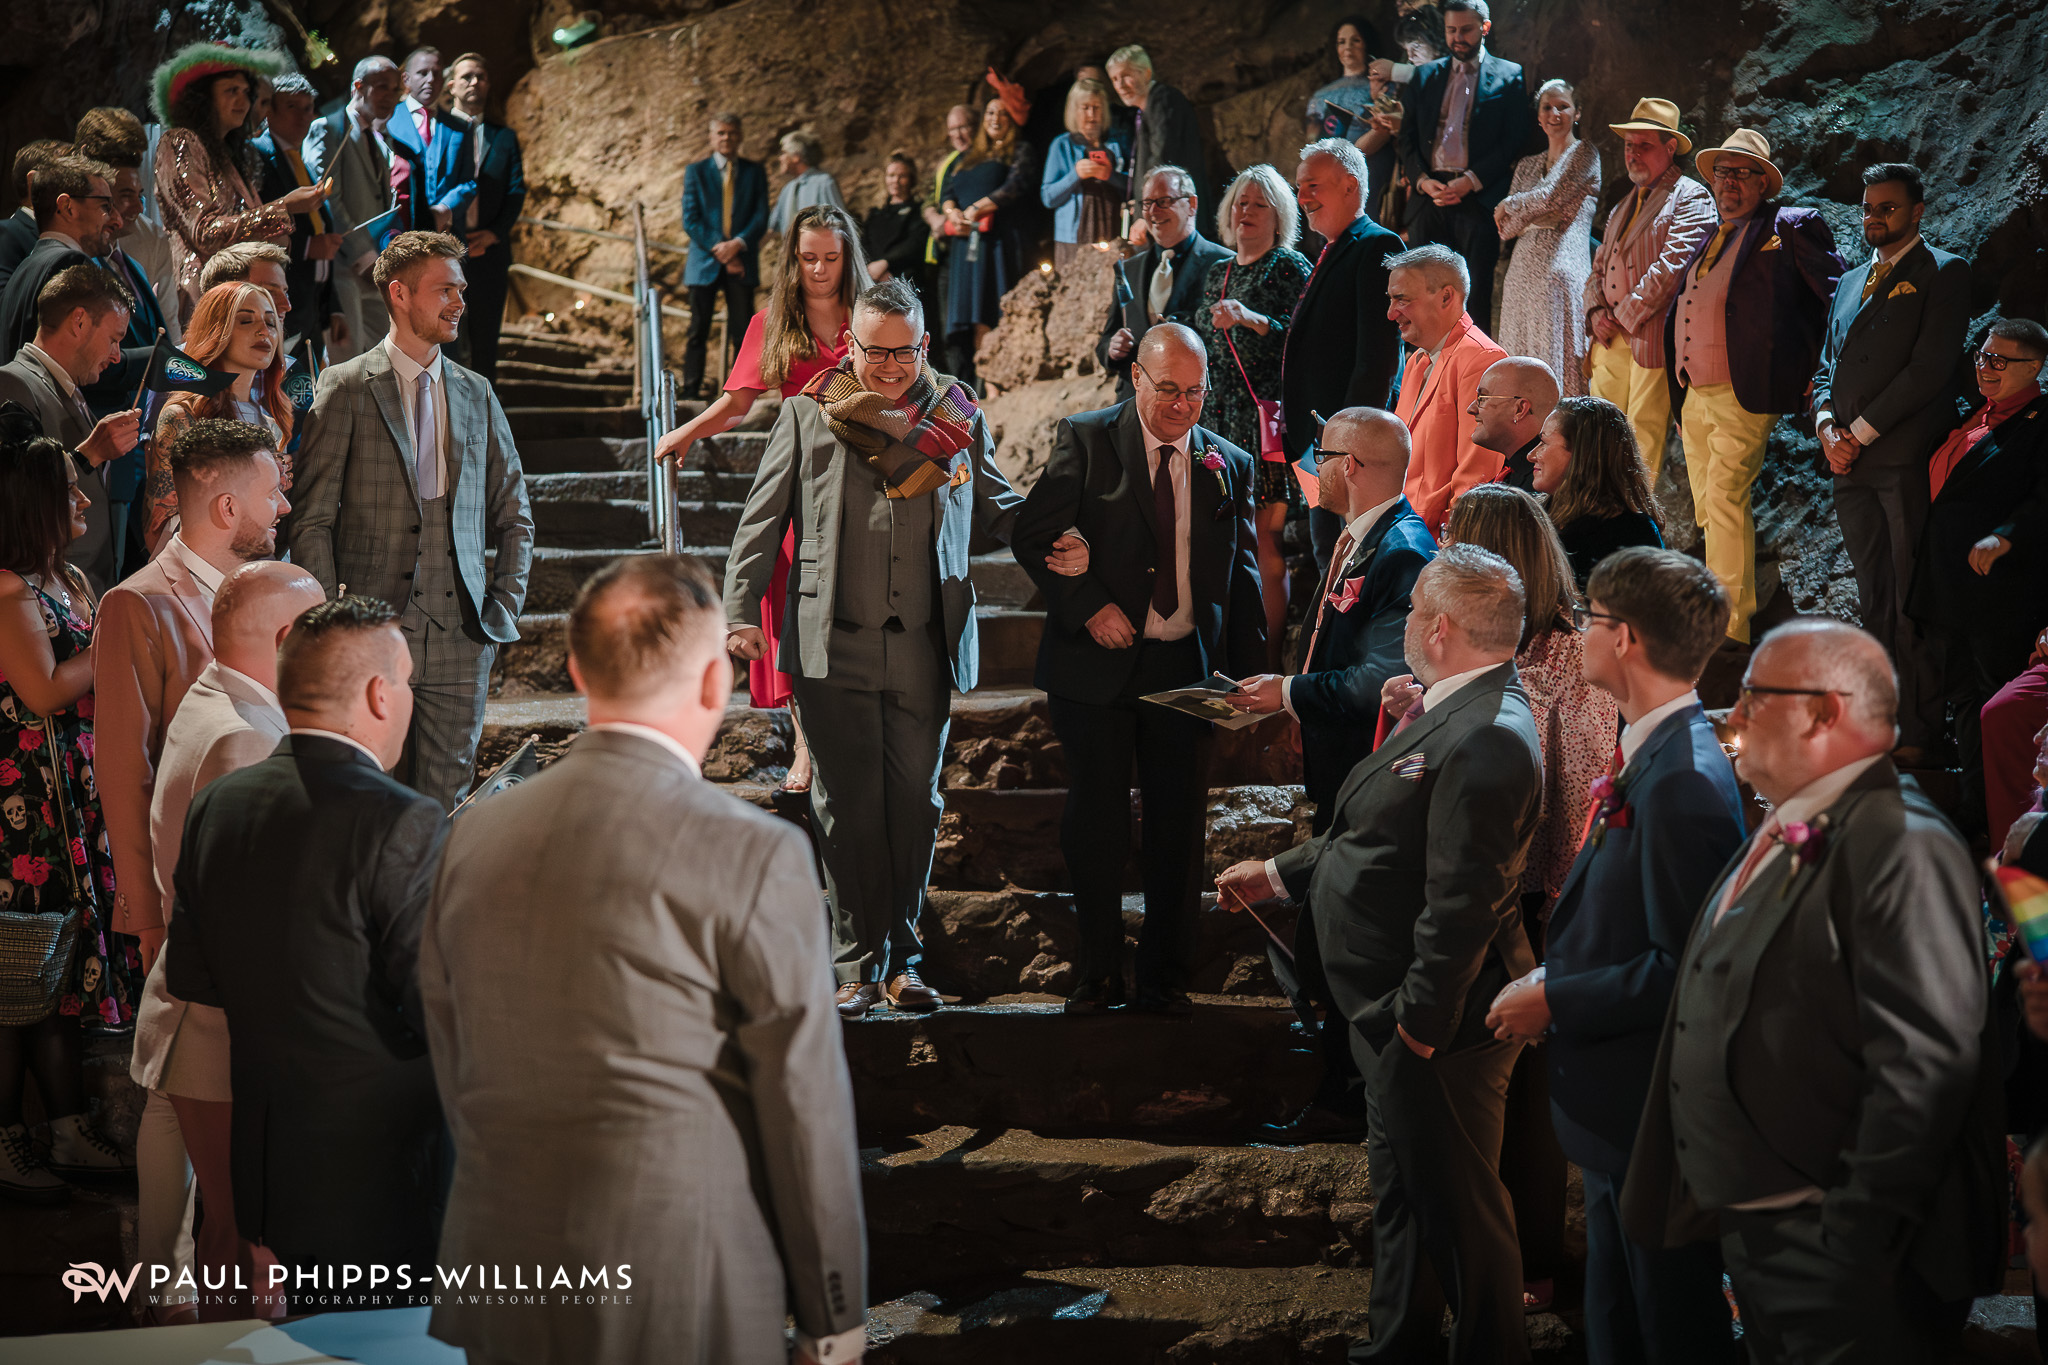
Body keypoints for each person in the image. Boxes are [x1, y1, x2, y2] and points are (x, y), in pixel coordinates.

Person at [421, 554, 868, 1365]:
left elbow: (454, 1053)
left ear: (575, 671)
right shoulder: (753, 851)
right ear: (713, 684)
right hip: (679, 1272)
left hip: (504, 1260)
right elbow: (803, 1106)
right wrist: (831, 1317)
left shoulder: (471, 835)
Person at [1622, 618, 2003, 1364]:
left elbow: (1924, 1068)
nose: (1730, 717)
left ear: (1826, 710)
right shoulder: (1800, 823)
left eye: (1754, 697)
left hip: (1849, 1261)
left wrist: (1848, 1242)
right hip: (1772, 1238)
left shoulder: (1903, 841)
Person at [1217, 544, 1542, 1365]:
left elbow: (1462, 903)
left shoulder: (1489, 735)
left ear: (1435, 627)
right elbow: (1378, 831)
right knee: (1406, 1202)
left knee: (1466, 1220)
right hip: (1387, 1012)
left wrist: (1416, 1029)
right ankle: (1395, 1346)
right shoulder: (1454, 706)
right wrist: (1281, 873)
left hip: (1428, 1024)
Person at [725, 278, 1025, 1019]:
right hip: (833, 644)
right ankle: (858, 966)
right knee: (848, 809)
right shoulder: (807, 412)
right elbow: (758, 522)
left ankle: (905, 960)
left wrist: (1061, 535)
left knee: (916, 806)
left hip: (925, 644)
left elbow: (1000, 499)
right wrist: (739, 611)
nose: (889, 366)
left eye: (904, 351)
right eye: (874, 350)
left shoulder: (956, 411)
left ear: (924, 345)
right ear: (849, 345)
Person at [1484, 546, 1742, 1365]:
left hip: (1649, 1110)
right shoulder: (1653, 751)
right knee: (1618, 1320)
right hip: (1613, 1108)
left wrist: (1557, 996)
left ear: (1624, 637)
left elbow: (1684, 969)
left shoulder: (1683, 784)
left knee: (1669, 1327)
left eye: (1590, 618)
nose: (1579, 632)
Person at [165, 595, 449, 1294]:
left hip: (269, 1163)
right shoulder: (404, 819)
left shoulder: (220, 805)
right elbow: (437, 1006)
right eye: (406, 681)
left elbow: (194, 979)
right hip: (384, 1170)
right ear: (380, 695)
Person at [1014, 323, 1265, 1016]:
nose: (1183, 406)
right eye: (1168, 390)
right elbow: (1032, 533)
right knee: (1095, 821)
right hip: (1095, 666)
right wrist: (1089, 602)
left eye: (1195, 393)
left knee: (1178, 826)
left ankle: (1164, 976)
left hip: (1187, 666)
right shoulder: (1088, 439)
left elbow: (1241, 577)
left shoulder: (1229, 462)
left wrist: (1249, 677)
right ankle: (1097, 972)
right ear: (1135, 379)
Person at [1226, 406, 1433, 1140]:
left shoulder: (1401, 550)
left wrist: (1284, 694)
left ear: (1352, 465)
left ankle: (1349, 1101)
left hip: (1367, 779)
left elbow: (1382, 674)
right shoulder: (1364, 537)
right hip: (1335, 765)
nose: (1312, 464)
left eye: (1322, 452)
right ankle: (1339, 1093)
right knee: (1319, 940)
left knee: (1338, 947)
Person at [1434, 481, 1611, 1314]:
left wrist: (1557, 924)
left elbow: (1579, 801)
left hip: (1540, 901)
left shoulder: (1570, 658)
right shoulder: (1493, 653)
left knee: (1528, 1103)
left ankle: (1533, 1264)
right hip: (1487, 890)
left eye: (1459, 540)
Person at [129, 559, 321, 1321]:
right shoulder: (248, 737)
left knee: (221, 1226)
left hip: (192, 1001)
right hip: (219, 1022)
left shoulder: (216, 695)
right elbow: (252, 917)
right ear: (285, 637)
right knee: (241, 1240)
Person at [285, 230, 534, 810]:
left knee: (446, 806)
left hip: (463, 638)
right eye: (444, 288)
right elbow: (313, 519)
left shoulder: (478, 393)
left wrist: (503, 606)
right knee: (368, 801)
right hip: (371, 636)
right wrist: (331, 621)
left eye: (462, 289)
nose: (459, 301)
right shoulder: (344, 387)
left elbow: (515, 514)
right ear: (399, 294)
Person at [657, 206, 864, 797]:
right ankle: (804, 743)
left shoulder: (870, 316)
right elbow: (738, 403)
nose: (820, 269)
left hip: (869, 475)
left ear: (847, 256)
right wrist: (687, 431)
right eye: (808, 258)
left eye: (831, 256)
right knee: (794, 608)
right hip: (803, 479)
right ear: (791, 260)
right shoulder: (773, 321)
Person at [95, 416, 289, 972]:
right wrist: (146, 913)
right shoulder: (137, 603)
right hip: (189, 881)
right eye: (272, 492)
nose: (284, 506)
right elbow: (124, 767)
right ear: (227, 509)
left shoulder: (273, 586)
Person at [0, 415, 135, 1204]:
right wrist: (117, 638)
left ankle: (66, 1126)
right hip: (23, 808)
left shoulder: (68, 581)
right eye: (68, 490)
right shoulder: (10, 589)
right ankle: (14, 1139)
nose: (83, 498)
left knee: (57, 986)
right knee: (18, 982)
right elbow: (45, 688)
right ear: (32, 505)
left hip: (70, 791)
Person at [1812, 162, 1971, 765]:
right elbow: (1824, 367)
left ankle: (1924, 730)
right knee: (1872, 595)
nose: (1875, 216)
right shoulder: (1850, 280)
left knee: (1910, 597)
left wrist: (1858, 432)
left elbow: (1929, 370)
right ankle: (1879, 719)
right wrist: (1828, 428)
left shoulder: (1944, 272)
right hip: (1846, 465)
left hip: (1903, 457)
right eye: (1869, 207)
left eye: (1889, 207)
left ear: (1917, 211)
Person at [1662, 129, 1843, 647]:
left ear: (1764, 183)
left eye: (1741, 173)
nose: (1729, 183)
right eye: (1722, 172)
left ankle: (1729, 628)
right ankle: (1720, 599)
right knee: (1705, 504)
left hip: (1746, 389)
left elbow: (1836, 296)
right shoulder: (1710, 234)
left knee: (1723, 499)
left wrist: (1821, 367)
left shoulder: (1789, 226)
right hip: (1694, 393)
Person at [1906, 318, 2048, 837]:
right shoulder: (1977, 414)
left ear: (2034, 368)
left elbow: (2043, 498)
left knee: (1998, 702)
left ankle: (2013, 821)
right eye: (1982, 356)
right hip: (1951, 587)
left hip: (2001, 594)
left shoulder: (2040, 421)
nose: (1984, 368)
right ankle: (1975, 810)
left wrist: (2006, 534)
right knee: (1964, 701)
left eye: (1999, 361)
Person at [1193, 164, 1312, 667]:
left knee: (1264, 536)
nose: (1246, 212)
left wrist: (1251, 318)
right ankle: (1223, 647)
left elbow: (1305, 339)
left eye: (1259, 204)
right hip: (1217, 420)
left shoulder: (1288, 267)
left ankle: (1264, 658)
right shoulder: (1216, 271)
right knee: (1220, 534)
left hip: (1264, 423)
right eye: (1240, 203)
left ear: (1278, 215)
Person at [1284, 138, 1404, 577]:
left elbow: (1377, 358)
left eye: (1312, 186)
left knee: (1348, 564)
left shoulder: (1375, 245)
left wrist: (1347, 444)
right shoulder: (1332, 249)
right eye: (1299, 188)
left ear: (1350, 186)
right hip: (1321, 446)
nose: (1302, 199)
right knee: (1326, 558)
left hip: (1345, 450)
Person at [1584, 98, 1716, 482]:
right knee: (1596, 440)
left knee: (1641, 442)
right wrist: (1595, 313)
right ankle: (1597, 531)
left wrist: (1622, 315)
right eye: (1629, 146)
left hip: (1651, 338)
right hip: (1609, 340)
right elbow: (1598, 266)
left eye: (1644, 145)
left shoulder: (1690, 196)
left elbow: (1673, 268)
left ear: (1670, 147)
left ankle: (1634, 530)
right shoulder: (1623, 204)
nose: (1633, 154)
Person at [149, 44, 316, 326]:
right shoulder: (181, 141)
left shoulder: (230, 155)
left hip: (243, 295)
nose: (242, 101)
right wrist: (283, 207)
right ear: (203, 97)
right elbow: (204, 232)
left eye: (246, 93)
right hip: (206, 296)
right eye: (231, 91)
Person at [0, 263, 142, 594]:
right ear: (79, 321)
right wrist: (90, 454)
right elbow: (16, 499)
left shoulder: (70, 389)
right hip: (46, 598)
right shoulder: (13, 382)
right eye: (114, 339)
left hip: (82, 590)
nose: (117, 356)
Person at [1394, 0, 1535, 331]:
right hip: (1429, 197)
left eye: (1466, 30)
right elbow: (1407, 138)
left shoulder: (1509, 74)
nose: (1457, 38)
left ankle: (1475, 379)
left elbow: (1514, 139)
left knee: (1474, 301)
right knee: (1418, 298)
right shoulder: (1426, 75)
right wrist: (1423, 181)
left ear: (1484, 28)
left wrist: (1472, 180)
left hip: (1476, 200)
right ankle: (1422, 375)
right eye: (1451, 30)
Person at [141, 280, 292, 550]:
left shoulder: (275, 421)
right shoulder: (182, 416)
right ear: (216, 330)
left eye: (271, 323)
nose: (263, 331)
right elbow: (158, 528)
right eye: (246, 321)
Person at [1387, 243, 1509, 535]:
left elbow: (1478, 474)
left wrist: (1453, 537)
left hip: (1440, 539)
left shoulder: (1482, 359)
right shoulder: (1417, 359)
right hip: (1406, 529)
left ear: (1446, 297)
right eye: (1391, 300)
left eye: (1401, 300)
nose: (1391, 313)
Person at [1494, 80, 1600, 398]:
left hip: (1560, 272)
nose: (1555, 113)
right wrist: (1537, 214)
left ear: (1577, 112)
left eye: (1563, 106)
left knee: (1558, 362)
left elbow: (1551, 197)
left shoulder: (1585, 153)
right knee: (1519, 360)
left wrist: (1514, 205)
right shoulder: (1527, 165)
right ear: (1538, 117)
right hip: (1522, 274)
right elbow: (1506, 229)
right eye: (1547, 107)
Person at [302, 56, 408, 359]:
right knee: (345, 361)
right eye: (382, 88)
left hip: (375, 265)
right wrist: (364, 255)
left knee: (387, 353)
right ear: (357, 87)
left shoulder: (377, 139)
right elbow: (325, 199)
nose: (390, 97)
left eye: (395, 90)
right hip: (344, 268)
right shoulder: (328, 128)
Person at [1096, 166, 1230, 400]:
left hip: (1193, 404)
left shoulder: (1222, 262)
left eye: (1164, 201)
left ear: (1192, 204)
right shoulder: (1129, 268)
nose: (1153, 211)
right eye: (1147, 203)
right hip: (1135, 401)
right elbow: (1107, 336)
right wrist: (1112, 347)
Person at [940, 98, 1037, 386]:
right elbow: (948, 190)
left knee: (995, 306)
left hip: (998, 240)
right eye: (991, 112)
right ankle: (979, 384)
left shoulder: (1020, 151)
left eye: (1003, 113)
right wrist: (952, 213)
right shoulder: (968, 155)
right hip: (967, 242)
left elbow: (1014, 186)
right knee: (972, 312)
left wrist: (978, 208)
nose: (996, 118)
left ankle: (999, 380)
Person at [250, 74, 344, 365]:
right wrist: (305, 248)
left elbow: (320, 229)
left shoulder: (300, 160)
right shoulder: (257, 155)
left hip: (313, 303)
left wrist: (333, 307)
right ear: (269, 110)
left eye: (309, 108)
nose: (304, 116)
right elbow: (253, 225)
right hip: (281, 296)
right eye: (293, 106)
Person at [442, 53, 524, 386]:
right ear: (452, 86)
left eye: (481, 77)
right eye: (467, 77)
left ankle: (486, 416)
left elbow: (516, 190)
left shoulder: (504, 138)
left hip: (489, 251)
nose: (475, 82)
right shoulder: (438, 130)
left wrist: (494, 233)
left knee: (487, 338)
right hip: (447, 252)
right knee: (447, 336)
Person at [680, 114, 769, 401]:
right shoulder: (696, 171)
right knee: (697, 329)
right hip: (705, 262)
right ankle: (691, 389)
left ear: (740, 136)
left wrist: (737, 245)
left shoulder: (755, 172)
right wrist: (722, 248)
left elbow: (760, 216)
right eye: (720, 133)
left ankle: (739, 392)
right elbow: (690, 219)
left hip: (741, 260)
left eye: (732, 133)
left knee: (743, 332)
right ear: (711, 137)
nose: (726, 138)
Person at [0, 155, 125, 359]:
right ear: (67, 207)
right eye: (105, 206)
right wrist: (157, 359)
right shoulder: (69, 263)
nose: (117, 220)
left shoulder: (26, 268)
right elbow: (86, 361)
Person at [1529, 395, 1664, 584]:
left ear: (1581, 454)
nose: (1531, 455)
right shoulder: (1535, 514)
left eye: (1544, 442)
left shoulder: (1631, 533)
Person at [1304, 15, 1399, 220]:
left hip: (1371, 172)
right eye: (1341, 41)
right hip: (1328, 176)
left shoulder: (1384, 86)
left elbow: (1386, 130)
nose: (1348, 47)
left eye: (1355, 40)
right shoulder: (1321, 95)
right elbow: (1313, 143)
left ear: (1367, 43)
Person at [1106, 44, 1208, 219]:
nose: (1120, 85)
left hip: (1173, 217)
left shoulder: (1162, 100)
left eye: (1126, 76)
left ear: (1146, 73)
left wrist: (1147, 213)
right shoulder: (1149, 108)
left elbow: (1162, 162)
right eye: (1114, 79)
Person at [383, 47, 477, 238]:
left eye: (436, 74)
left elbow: (469, 181)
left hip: (447, 233)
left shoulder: (461, 127)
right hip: (398, 231)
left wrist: (445, 209)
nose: (431, 80)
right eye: (422, 73)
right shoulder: (388, 120)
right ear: (406, 79)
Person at [1042, 78, 1130, 272]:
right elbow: (1048, 198)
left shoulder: (1114, 145)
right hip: (1073, 240)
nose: (1092, 114)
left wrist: (1111, 175)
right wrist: (1075, 175)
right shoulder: (1062, 145)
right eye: (1085, 108)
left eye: (1097, 108)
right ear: (1074, 110)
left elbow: (1132, 189)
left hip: (1111, 233)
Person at [919, 103, 976, 364]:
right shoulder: (947, 164)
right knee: (948, 326)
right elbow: (929, 201)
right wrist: (935, 218)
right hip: (945, 256)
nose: (958, 134)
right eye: (953, 129)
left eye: (963, 127)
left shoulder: (983, 159)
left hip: (973, 251)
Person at [1468, 354, 1558, 489]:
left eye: (1483, 398)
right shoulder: (1511, 475)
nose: (1471, 409)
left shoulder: (1542, 486)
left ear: (1519, 409)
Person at [0, 141, 70, 298]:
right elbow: (5, 303)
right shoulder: (8, 232)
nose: (78, 187)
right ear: (34, 183)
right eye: (68, 177)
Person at [862, 152, 931, 311]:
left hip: (906, 279)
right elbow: (864, 243)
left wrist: (886, 264)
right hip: (873, 279)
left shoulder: (918, 211)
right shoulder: (876, 213)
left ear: (911, 179)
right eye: (891, 175)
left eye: (902, 176)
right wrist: (874, 270)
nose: (896, 181)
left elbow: (915, 244)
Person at [768, 131, 845, 237]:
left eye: (783, 153)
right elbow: (772, 228)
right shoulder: (787, 190)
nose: (780, 158)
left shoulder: (823, 183)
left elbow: (840, 225)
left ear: (796, 157)